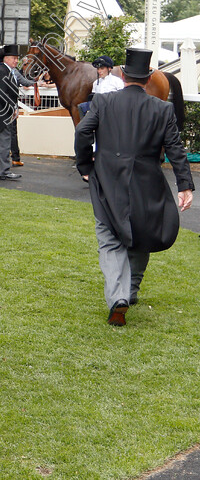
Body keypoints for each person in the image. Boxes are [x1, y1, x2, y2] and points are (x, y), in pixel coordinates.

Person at [74, 48, 194, 326]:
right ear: (149, 76)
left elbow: (82, 132)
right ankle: (130, 291)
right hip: (146, 181)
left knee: (109, 238)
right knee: (141, 234)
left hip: (107, 179)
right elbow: (175, 148)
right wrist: (185, 185)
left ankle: (120, 295)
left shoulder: (103, 102)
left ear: (123, 75)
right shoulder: (163, 108)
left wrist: (85, 166)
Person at [0, 44, 24, 180]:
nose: (16, 61)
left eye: (17, 58)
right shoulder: (2, 71)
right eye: (14, 58)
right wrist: (13, 107)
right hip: (1, 113)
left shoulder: (0, 70)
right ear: (6, 58)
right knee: (4, 143)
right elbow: (2, 93)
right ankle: (5, 171)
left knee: (0, 142)